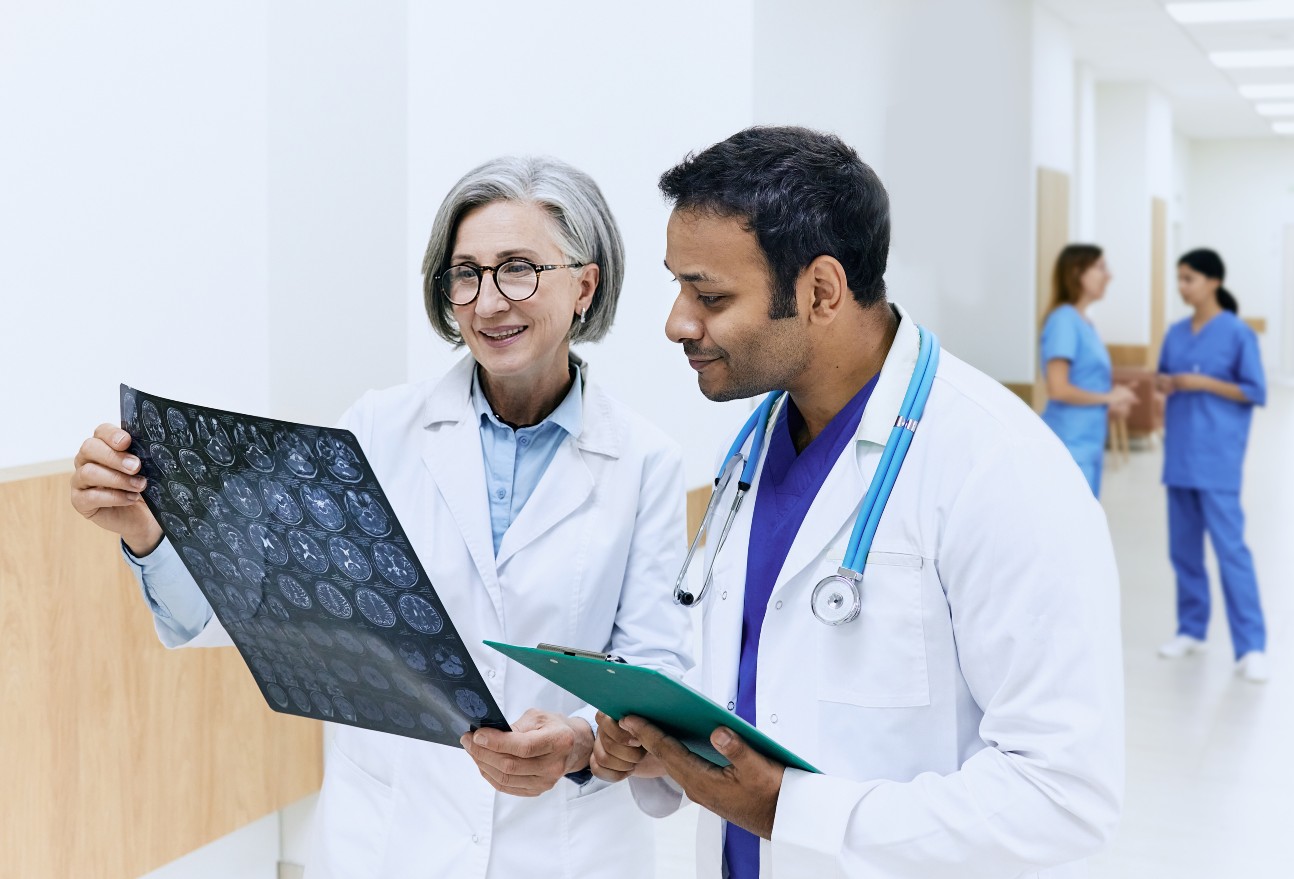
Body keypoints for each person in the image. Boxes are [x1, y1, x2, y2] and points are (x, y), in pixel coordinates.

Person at [69, 156, 692, 878]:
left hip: (564, 845)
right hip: (396, 838)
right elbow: (265, 601)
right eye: (466, 273)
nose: (489, 302)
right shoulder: (379, 428)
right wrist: (146, 530)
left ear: (584, 284)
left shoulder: (646, 462)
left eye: (518, 268)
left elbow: (656, 667)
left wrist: (582, 740)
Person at [589, 126, 1123, 878]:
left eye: (707, 293)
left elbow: (1064, 795)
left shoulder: (999, 466)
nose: (677, 321)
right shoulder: (749, 449)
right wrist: (659, 746)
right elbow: (758, 688)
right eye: (679, 286)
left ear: (820, 291)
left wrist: (789, 810)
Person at [1155, 248, 1268, 683]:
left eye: (1189, 279)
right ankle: (1191, 630)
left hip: (1218, 457)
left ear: (1213, 282)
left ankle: (1252, 646)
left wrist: (1201, 382)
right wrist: (1169, 383)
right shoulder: (1176, 333)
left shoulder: (1239, 335)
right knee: (1183, 551)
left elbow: (1255, 391)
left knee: (1231, 552)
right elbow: (1166, 377)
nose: (1182, 287)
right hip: (1180, 455)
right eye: (1179, 279)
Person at [1039, 244, 1138, 496]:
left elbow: (1086, 383)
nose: (1110, 275)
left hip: (1090, 442)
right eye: (1101, 267)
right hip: (1070, 443)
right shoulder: (1063, 320)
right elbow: (1058, 388)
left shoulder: (1085, 322)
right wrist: (1109, 397)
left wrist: (1111, 404)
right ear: (1076, 273)